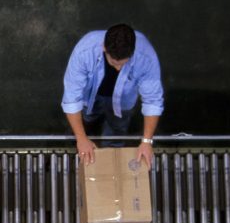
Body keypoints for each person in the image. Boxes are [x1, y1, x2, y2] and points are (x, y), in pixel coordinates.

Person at [61, 24, 164, 167]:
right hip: (90, 96)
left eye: (123, 63)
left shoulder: (146, 56)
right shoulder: (84, 51)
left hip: (124, 101)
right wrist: (81, 138)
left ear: (132, 52)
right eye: (114, 63)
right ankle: (82, 138)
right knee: (87, 118)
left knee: (117, 128)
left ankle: (112, 155)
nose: (118, 68)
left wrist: (146, 142)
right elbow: (72, 98)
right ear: (104, 47)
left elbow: (152, 101)